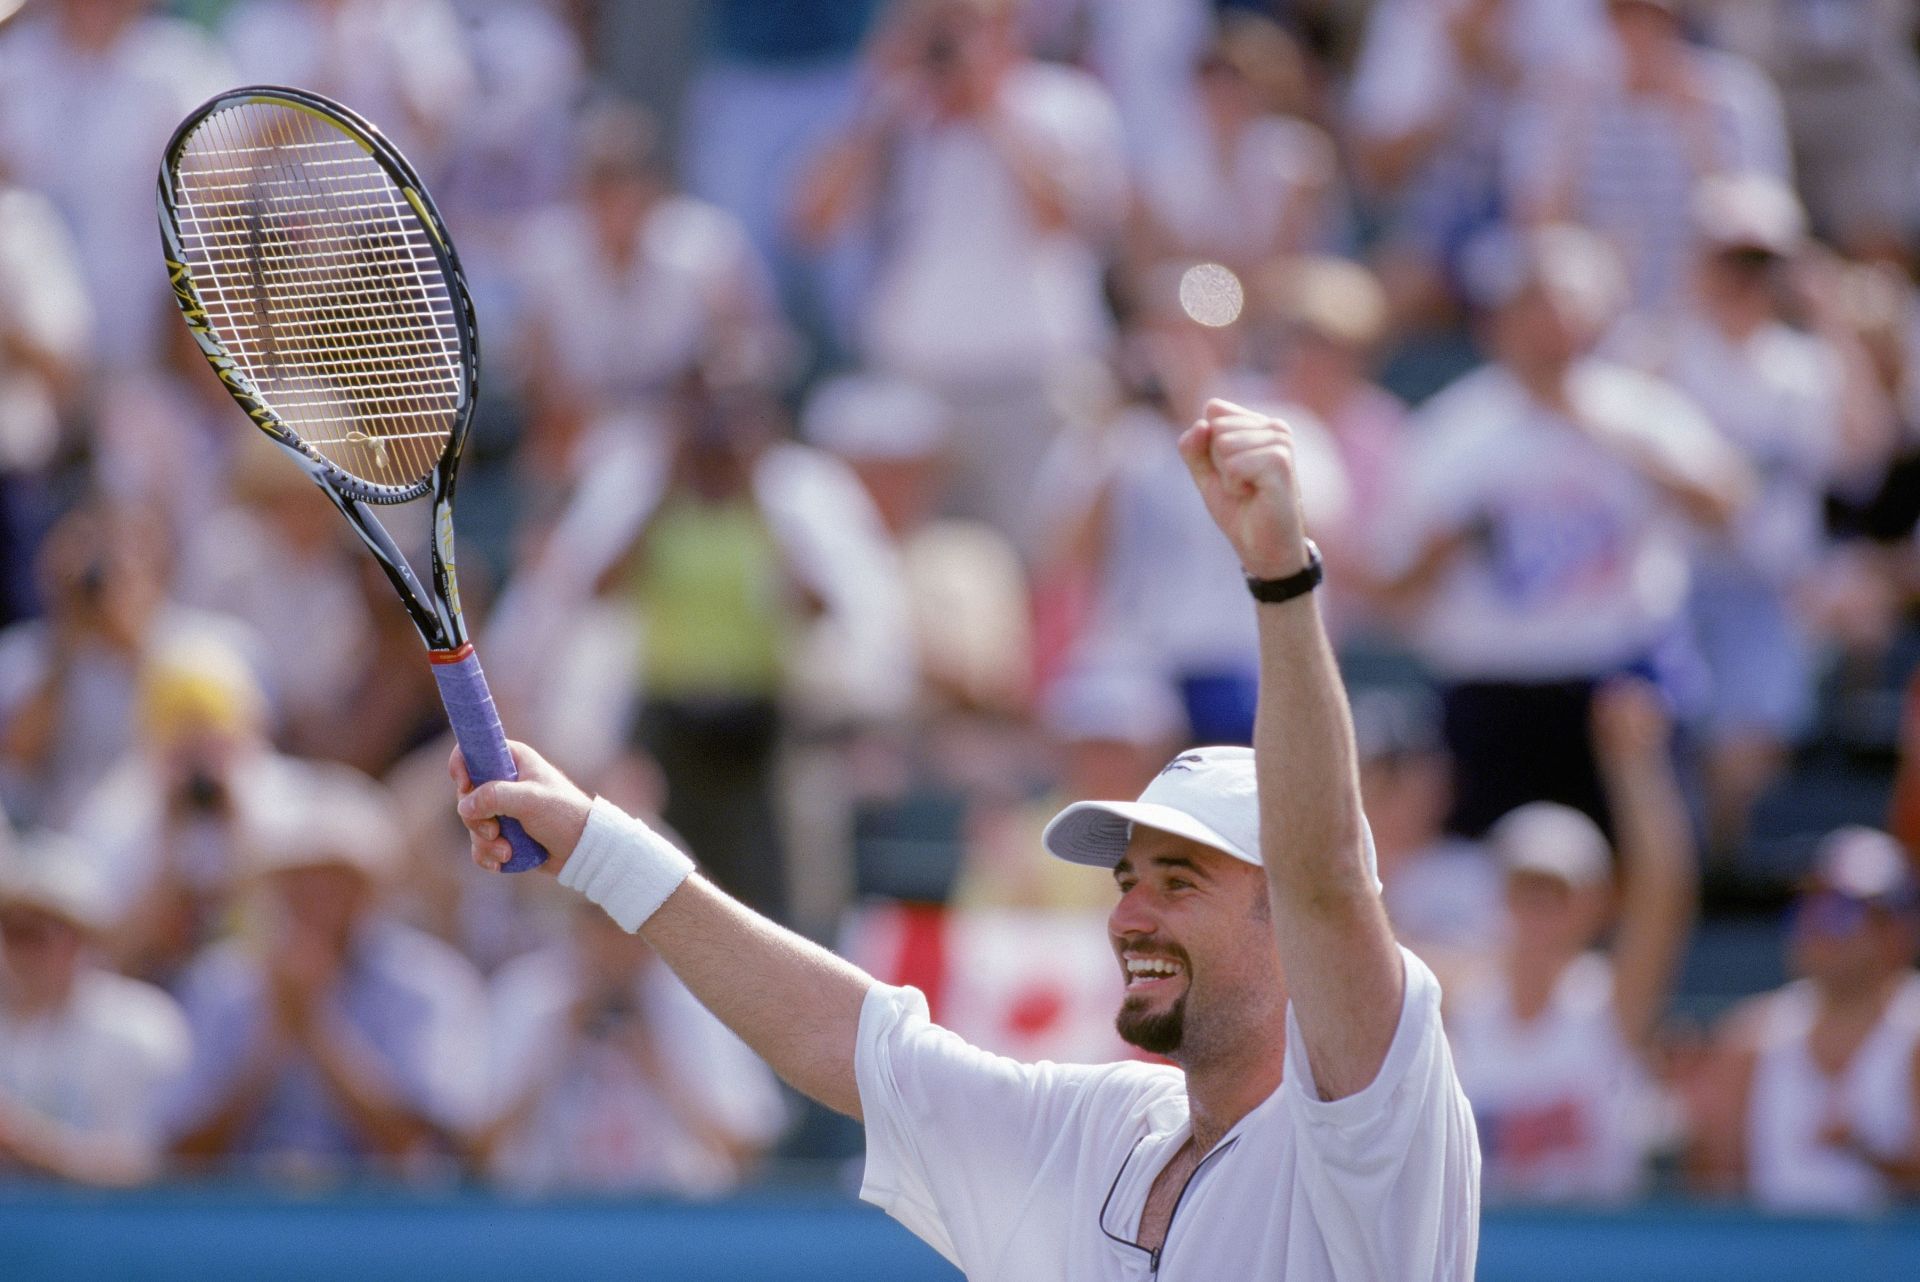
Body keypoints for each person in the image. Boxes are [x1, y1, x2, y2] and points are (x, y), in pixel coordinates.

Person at [455, 399, 1480, 1278]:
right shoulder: (1102, 1125)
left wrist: (1281, 584)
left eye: (1179, 880)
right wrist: (596, 841)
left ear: (1287, 919)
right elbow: (848, 1038)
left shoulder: (1374, 1132)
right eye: (1130, 879)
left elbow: (1330, 879)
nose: (1130, 911)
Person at [1378, 223, 1750, 837]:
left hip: (1614, 689)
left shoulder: (1640, 411)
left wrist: (1617, 440)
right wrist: (1449, 542)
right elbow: (1393, 590)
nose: (1547, 327)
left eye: (1562, 307)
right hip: (1494, 694)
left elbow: (1730, 505)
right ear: (1497, 323)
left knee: (1630, 874)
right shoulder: (1454, 432)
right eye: (1528, 308)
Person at [1444, 682, 1696, 1204]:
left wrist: (1635, 766)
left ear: (1595, 905)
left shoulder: (1609, 1004)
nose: (1538, 910)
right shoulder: (1461, 1001)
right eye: (1525, 889)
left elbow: (1664, 894)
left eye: (1557, 893)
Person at [165, 771, 487, 1179]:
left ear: (371, 889)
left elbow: (426, 1156)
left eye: (336, 879)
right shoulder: (220, 984)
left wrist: (315, 1028)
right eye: (299, 878)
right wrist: (272, 1043)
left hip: (381, 1231)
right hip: (244, 1230)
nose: (315, 895)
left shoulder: (427, 985)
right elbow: (180, 1159)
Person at [1692, 828, 1920, 1214]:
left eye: (1838, 912)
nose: (1815, 927)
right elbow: (1716, 1194)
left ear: (1896, 931)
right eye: (1806, 908)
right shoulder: (1750, 1039)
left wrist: (1874, 1155)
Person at [0, 832, 190, 1186]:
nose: (22, 949)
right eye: (13, 931)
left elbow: (153, 1164)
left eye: (38, 933)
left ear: (80, 937)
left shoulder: (141, 1027)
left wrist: (29, 1144)